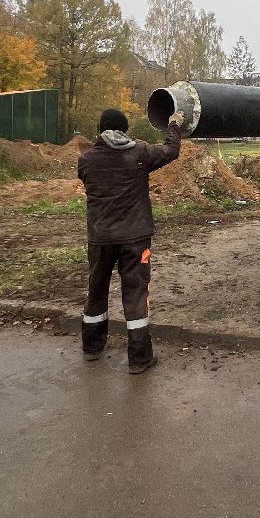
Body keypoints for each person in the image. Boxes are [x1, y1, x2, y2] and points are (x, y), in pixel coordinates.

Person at [76, 107, 183, 374]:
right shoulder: (140, 154)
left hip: (100, 238)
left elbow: (86, 179)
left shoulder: (86, 159)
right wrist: (174, 126)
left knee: (96, 290)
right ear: (125, 129)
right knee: (135, 294)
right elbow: (171, 151)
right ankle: (139, 358)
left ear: (101, 130)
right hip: (135, 239)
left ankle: (91, 347)